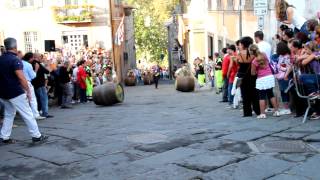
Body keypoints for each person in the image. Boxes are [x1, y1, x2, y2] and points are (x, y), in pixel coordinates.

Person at [0, 38, 48, 144]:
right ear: (15, 46)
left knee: (9, 113)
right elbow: (21, 77)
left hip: (3, 92)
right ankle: (36, 135)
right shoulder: (15, 60)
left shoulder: (1, 58)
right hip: (15, 91)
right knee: (27, 113)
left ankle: (4, 136)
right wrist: (28, 91)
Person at [249, 44, 280, 119]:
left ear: (251, 52)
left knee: (261, 96)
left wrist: (257, 70)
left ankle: (262, 114)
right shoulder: (264, 55)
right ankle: (276, 111)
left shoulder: (254, 61)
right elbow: (268, 63)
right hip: (269, 76)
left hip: (262, 78)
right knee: (270, 94)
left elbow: (252, 73)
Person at [236, 37, 260, 117]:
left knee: (245, 94)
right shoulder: (253, 53)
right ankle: (257, 110)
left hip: (242, 75)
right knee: (254, 93)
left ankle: (247, 112)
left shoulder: (239, 54)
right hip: (252, 75)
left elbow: (238, 63)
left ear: (243, 44)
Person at [22, 52, 46, 120]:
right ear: (30, 58)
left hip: (19, 83)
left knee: (24, 100)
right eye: (32, 58)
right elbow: (33, 76)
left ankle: (26, 115)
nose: (33, 59)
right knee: (32, 99)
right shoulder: (28, 65)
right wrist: (36, 69)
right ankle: (35, 114)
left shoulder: (20, 62)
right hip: (27, 82)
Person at [32, 53, 53, 118]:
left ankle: (38, 112)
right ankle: (45, 113)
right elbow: (48, 71)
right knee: (44, 99)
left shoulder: (31, 63)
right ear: (37, 57)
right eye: (41, 57)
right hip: (40, 84)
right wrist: (48, 64)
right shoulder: (38, 64)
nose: (42, 58)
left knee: (37, 99)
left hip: (35, 84)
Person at [275, 42, 292, 115]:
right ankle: (286, 107)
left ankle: (287, 108)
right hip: (280, 76)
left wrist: (285, 74)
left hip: (284, 77)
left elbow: (289, 67)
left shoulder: (287, 57)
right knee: (283, 92)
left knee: (284, 92)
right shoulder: (281, 56)